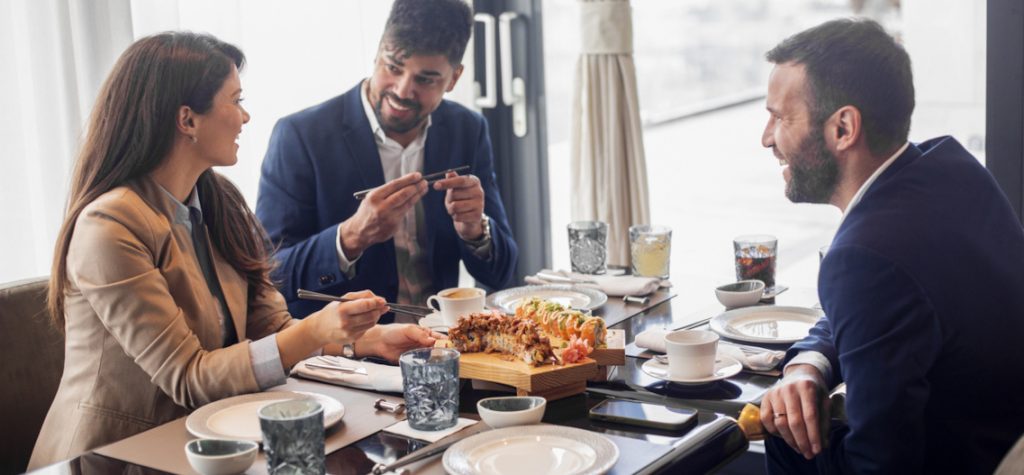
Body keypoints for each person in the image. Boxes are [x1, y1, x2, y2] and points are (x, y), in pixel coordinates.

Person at [29, 32, 439, 469]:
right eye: (236, 99)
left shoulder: (218, 200)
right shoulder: (109, 225)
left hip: (209, 446)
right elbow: (188, 379)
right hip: (113, 457)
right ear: (187, 120)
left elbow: (273, 329)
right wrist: (317, 329)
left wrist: (369, 339)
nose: (245, 116)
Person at [757, 18, 1024, 474]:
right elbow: (888, 306)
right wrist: (809, 363)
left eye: (781, 117)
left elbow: (879, 466)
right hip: (1003, 438)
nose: (767, 138)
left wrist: (783, 436)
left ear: (843, 128)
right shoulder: (950, 168)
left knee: (781, 436)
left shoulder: (865, 258)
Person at [255, 0, 518, 321]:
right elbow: (269, 279)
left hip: (442, 346)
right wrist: (349, 238)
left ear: (453, 78)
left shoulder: (467, 130)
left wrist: (476, 231)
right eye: (393, 67)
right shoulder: (299, 136)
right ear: (377, 52)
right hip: (349, 357)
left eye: (426, 79)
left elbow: (502, 275)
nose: (402, 91)